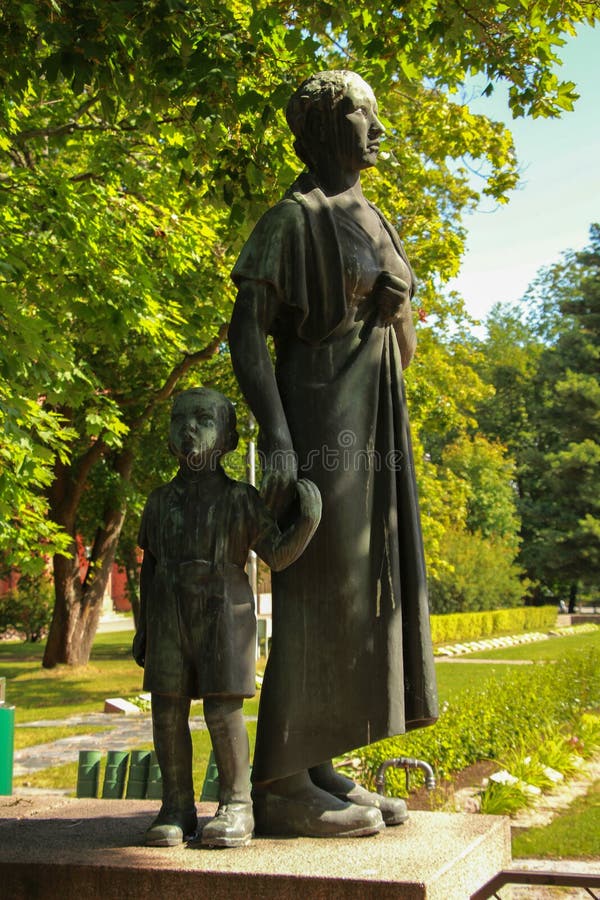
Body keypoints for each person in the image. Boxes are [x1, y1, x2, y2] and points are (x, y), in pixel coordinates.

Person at [228, 70, 439, 838]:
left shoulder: (375, 216)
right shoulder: (293, 219)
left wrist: (397, 306)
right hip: (318, 419)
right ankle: (281, 782)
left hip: (375, 421)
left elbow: (403, 348)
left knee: (361, 589)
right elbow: (246, 329)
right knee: (320, 588)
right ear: (322, 129)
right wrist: (276, 435)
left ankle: (316, 762)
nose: (376, 124)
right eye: (360, 112)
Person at [133, 387, 321, 847]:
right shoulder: (159, 502)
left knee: (222, 709)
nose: (189, 428)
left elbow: (275, 555)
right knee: (167, 710)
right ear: (169, 437)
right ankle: (176, 805)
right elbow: (150, 562)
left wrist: (306, 523)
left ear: (229, 438)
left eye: (203, 419)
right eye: (180, 419)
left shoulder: (241, 499)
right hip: (171, 610)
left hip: (224, 607)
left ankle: (237, 804)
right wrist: (145, 626)